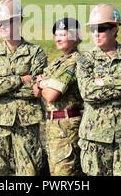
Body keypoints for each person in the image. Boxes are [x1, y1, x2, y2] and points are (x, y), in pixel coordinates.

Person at [0, 0, 47, 176]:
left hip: (26, 122)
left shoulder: (36, 53)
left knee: (29, 172)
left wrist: (4, 84)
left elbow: (35, 89)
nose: (1, 27)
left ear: (19, 21)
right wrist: (20, 80)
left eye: (6, 22)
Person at [76, 4, 121, 176]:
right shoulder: (85, 59)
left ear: (114, 29)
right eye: (93, 29)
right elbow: (88, 92)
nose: (96, 33)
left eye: (101, 28)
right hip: (95, 137)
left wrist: (103, 81)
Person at [33, 18, 83, 176]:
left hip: (67, 127)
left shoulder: (75, 61)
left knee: (66, 174)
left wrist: (42, 83)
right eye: (56, 35)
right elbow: (36, 90)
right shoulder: (58, 62)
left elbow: (50, 95)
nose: (58, 38)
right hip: (53, 126)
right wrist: (42, 83)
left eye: (63, 34)